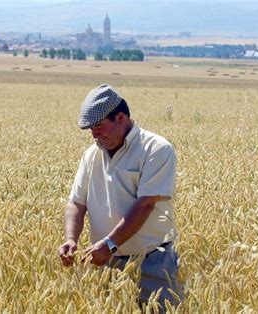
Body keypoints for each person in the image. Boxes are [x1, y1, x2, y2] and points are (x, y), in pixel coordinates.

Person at [57, 84, 183, 309]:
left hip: (151, 263)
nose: (95, 135)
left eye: (99, 126)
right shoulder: (92, 155)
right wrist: (70, 240)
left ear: (121, 118)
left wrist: (108, 244)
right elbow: (76, 202)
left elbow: (145, 205)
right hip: (105, 264)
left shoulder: (156, 149)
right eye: (91, 129)